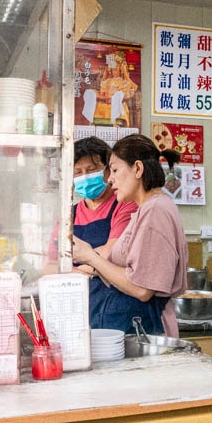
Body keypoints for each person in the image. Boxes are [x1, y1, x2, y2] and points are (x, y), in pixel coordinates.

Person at [71, 134, 188, 337]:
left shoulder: (155, 210)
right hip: (131, 327)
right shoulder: (144, 210)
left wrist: (91, 258)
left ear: (138, 169)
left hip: (148, 328)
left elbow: (143, 289)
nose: (110, 179)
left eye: (115, 170)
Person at [71, 136, 138, 328]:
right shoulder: (69, 213)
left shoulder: (125, 205)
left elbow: (112, 253)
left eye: (92, 170)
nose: (84, 176)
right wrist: (93, 268)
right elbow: (52, 265)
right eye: (78, 172)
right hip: (78, 308)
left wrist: (72, 270)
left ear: (108, 170)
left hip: (116, 306)